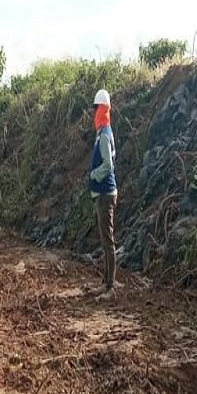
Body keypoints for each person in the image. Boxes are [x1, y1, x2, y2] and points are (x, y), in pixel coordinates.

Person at [88, 88, 118, 297]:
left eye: (97, 108)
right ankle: (106, 281)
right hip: (102, 194)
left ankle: (110, 287)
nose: (95, 112)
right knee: (105, 238)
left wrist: (94, 176)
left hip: (106, 193)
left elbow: (108, 165)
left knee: (108, 240)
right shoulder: (102, 133)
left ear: (103, 109)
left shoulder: (105, 135)